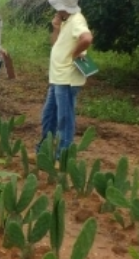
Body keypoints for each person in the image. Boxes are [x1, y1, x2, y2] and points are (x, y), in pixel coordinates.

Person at [36, 0, 93, 158]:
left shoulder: (77, 20)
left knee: (64, 119)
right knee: (49, 115)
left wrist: (74, 54)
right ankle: (44, 151)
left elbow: (87, 38)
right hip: (58, 78)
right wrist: (56, 28)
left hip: (67, 80)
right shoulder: (66, 21)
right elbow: (55, 44)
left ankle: (62, 156)